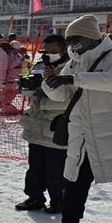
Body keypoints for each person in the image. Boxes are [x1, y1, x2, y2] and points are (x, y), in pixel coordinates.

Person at [42, 15, 112, 223]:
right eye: (69, 39)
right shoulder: (74, 61)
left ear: (90, 36)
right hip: (82, 132)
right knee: (74, 180)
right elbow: (63, 95)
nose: (72, 44)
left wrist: (72, 79)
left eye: (76, 38)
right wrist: (49, 83)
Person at [16, 35, 70, 213]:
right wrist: (28, 88)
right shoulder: (40, 65)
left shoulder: (71, 69)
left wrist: (44, 101)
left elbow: (70, 99)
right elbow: (31, 89)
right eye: (46, 51)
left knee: (56, 169)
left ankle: (58, 201)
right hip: (36, 124)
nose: (49, 55)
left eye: (53, 51)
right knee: (35, 167)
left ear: (64, 49)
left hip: (57, 126)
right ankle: (35, 198)